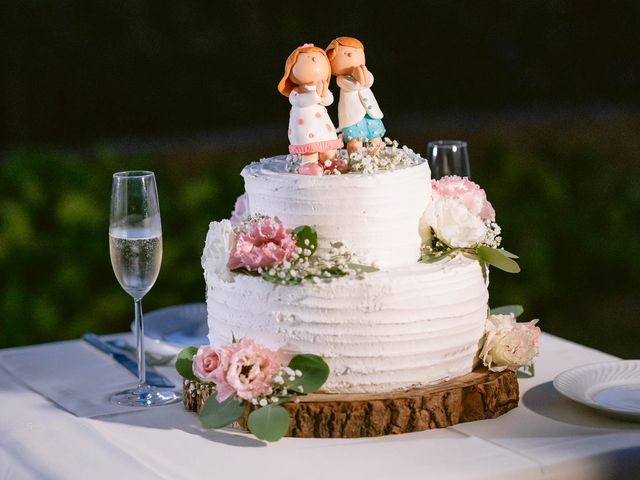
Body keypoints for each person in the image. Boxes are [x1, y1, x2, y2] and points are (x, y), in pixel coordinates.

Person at [277, 44, 343, 175]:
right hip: (305, 127)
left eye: (318, 58)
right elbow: (300, 101)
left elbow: (329, 100)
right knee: (310, 148)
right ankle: (308, 163)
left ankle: (330, 160)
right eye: (309, 58)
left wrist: (323, 94)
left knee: (328, 146)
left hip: (323, 126)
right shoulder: (296, 92)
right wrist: (316, 95)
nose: (315, 61)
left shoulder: (321, 87)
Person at [325, 37, 385, 156]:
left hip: (370, 114)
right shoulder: (341, 79)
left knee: (376, 139)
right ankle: (356, 161)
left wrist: (362, 75)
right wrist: (358, 77)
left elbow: (369, 81)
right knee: (355, 143)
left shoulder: (365, 73)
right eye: (347, 53)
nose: (353, 55)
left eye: (358, 52)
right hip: (353, 117)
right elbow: (353, 86)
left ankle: (375, 159)